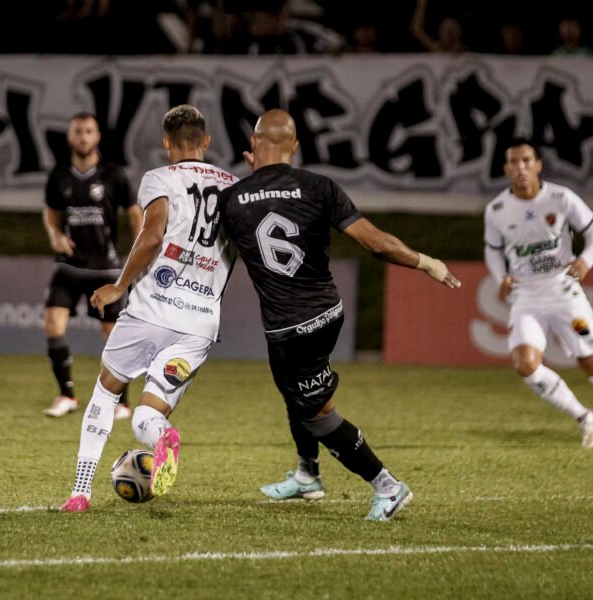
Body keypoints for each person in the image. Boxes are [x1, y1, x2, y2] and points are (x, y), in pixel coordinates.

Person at [220, 109, 461, 521]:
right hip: (326, 314)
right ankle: (307, 474)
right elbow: (377, 244)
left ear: (250, 154)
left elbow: (212, 260)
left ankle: (387, 485)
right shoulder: (319, 187)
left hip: (289, 327)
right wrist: (427, 262)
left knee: (316, 413)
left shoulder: (231, 198)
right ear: (294, 148)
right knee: (297, 395)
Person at [59, 104, 237, 512]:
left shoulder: (159, 178)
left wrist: (119, 285)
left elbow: (152, 234)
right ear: (206, 142)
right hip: (199, 324)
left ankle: (81, 492)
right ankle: (161, 437)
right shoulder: (233, 187)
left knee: (106, 391)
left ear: (167, 143)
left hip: (151, 310)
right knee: (147, 412)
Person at [484, 138, 593, 450]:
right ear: (506, 169)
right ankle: (584, 417)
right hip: (526, 299)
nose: (521, 168)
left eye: (527, 161)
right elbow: (492, 250)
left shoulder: (561, 197)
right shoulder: (497, 209)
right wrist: (500, 276)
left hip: (566, 296)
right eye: (514, 162)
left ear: (538, 165)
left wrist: (585, 261)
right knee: (524, 363)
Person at [41, 113, 142, 420]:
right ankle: (67, 395)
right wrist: (55, 235)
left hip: (106, 269)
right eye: (77, 132)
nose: (83, 137)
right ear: (70, 137)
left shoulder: (114, 175)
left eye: (88, 131)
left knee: (112, 336)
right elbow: (51, 213)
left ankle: (122, 402)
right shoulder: (59, 176)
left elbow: (135, 214)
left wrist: (138, 252)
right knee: (52, 326)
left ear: (97, 136)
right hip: (70, 268)